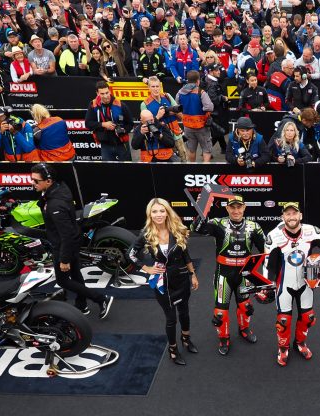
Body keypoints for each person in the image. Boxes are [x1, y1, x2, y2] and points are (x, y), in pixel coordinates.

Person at [264, 201, 320, 367]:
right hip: (283, 284)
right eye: (287, 214)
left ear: (300, 215)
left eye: (294, 213)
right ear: (282, 217)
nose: (291, 217)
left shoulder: (312, 231)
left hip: (306, 283)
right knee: (283, 320)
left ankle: (300, 343)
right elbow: (267, 264)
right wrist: (267, 285)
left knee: (308, 318)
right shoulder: (273, 236)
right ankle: (283, 348)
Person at [31, 163, 114, 318]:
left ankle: (101, 298)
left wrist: (64, 259)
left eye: (36, 181)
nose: (33, 183)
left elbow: (66, 235)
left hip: (64, 244)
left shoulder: (55, 205)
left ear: (48, 181)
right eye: (32, 180)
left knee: (63, 281)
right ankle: (81, 305)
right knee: (76, 275)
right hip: (72, 240)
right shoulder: (59, 188)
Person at [191, 195, 265, 355]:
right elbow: (195, 228)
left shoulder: (254, 226)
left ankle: (244, 329)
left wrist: (266, 278)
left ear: (244, 207)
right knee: (220, 312)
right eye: (232, 207)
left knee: (245, 306)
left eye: (239, 207)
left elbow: (265, 251)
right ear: (227, 208)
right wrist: (202, 209)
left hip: (244, 275)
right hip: (223, 275)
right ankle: (224, 337)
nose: (236, 210)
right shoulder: (218, 223)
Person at [129, 198, 198, 366]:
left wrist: (193, 274)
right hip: (162, 282)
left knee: (184, 312)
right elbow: (130, 254)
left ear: (167, 212)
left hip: (181, 278)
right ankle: (172, 349)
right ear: (149, 214)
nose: (158, 214)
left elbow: (185, 254)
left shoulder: (177, 229)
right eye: (154, 211)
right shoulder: (146, 234)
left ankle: (186, 339)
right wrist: (146, 268)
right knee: (171, 318)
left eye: (162, 211)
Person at [85, 80, 134, 162]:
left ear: (110, 91)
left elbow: (130, 123)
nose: (105, 96)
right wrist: (103, 124)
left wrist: (124, 130)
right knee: (109, 168)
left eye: (107, 92)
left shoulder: (120, 105)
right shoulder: (93, 105)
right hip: (105, 145)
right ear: (97, 93)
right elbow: (88, 124)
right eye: (102, 94)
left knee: (126, 167)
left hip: (121, 143)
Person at [141, 76, 187, 162]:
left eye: (157, 86)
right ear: (149, 88)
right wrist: (158, 116)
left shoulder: (167, 96)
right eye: (153, 86)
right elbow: (146, 125)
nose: (156, 89)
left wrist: (171, 112)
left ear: (160, 87)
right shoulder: (145, 104)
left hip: (176, 135)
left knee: (184, 160)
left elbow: (179, 112)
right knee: (170, 162)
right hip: (162, 138)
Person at [176, 70, 214, 162]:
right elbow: (209, 107)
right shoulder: (201, 92)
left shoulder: (180, 92)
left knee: (191, 149)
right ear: (198, 81)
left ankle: (192, 168)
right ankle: (205, 169)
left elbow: (176, 107)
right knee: (206, 149)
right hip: (202, 126)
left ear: (188, 80)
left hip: (187, 126)